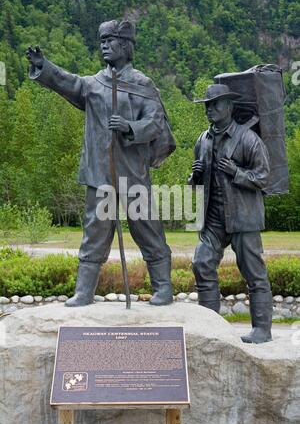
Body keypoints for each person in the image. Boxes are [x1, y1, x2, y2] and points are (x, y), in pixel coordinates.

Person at [26, 20, 176, 307]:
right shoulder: (94, 85)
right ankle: (84, 292)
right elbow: (68, 82)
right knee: (95, 231)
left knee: (147, 229)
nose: (104, 45)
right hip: (100, 174)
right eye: (102, 41)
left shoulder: (143, 84)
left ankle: (163, 288)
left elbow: (156, 123)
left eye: (111, 40)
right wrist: (45, 66)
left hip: (132, 175)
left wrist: (130, 127)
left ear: (125, 46)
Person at [189, 83, 273, 344]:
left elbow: (264, 177)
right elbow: (196, 184)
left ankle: (262, 330)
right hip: (213, 218)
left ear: (229, 107)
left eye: (214, 104)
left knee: (253, 272)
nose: (210, 109)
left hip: (242, 217)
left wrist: (236, 172)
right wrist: (195, 177)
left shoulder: (248, 139)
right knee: (201, 262)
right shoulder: (202, 140)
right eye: (207, 105)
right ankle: (210, 327)